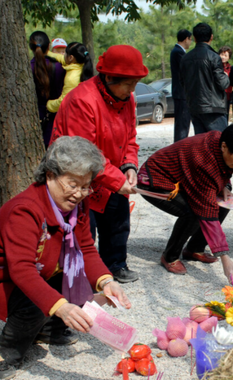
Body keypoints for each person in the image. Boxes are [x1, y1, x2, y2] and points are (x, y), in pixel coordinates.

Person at [0, 136, 132, 380]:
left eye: (85, 186)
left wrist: (106, 281)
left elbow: (86, 248)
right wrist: (60, 307)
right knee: (40, 301)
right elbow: (22, 270)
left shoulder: (75, 205)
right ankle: (5, 351)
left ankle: (47, 328)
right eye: (72, 184)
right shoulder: (26, 210)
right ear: (49, 175)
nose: (79, 193)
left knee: (69, 278)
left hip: (32, 271)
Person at [51, 44, 148, 284]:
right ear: (109, 78)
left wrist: (130, 166)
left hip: (109, 171)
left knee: (118, 221)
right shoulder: (82, 100)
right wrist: (116, 180)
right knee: (83, 228)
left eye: (135, 84)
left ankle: (115, 264)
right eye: (128, 84)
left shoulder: (128, 99)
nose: (132, 90)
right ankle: (83, 275)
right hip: (76, 172)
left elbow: (130, 137)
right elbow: (83, 153)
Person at [137, 123, 233, 281]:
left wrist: (225, 186)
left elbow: (222, 172)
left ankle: (194, 249)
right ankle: (170, 256)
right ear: (224, 146)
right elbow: (206, 211)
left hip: (183, 180)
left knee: (222, 203)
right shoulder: (203, 161)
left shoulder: (220, 142)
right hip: (155, 180)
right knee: (194, 212)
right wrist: (224, 258)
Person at [180, 23, 230, 135]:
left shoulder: (185, 58)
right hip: (214, 108)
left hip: (195, 107)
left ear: (194, 38)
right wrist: (226, 77)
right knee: (219, 144)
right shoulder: (214, 57)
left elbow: (183, 82)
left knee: (201, 146)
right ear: (211, 37)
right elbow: (222, 83)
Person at [29, 31, 65, 148]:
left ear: (31, 47)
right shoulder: (60, 68)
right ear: (49, 46)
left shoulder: (26, 69)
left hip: (34, 121)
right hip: (56, 121)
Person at [46, 42, 94, 114]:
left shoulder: (72, 78)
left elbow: (63, 102)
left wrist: (48, 105)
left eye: (65, 53)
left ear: (71, 57)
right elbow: (61, 58)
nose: (63, 55)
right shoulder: (81, 65)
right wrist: (46, 53)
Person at [171, 29, 192, 142]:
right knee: (182, 125)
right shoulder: (178, 52)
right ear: (186, 39)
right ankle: (180, 148)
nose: (190, 42)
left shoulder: (178, 51)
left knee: (183, 124)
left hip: (181, 93)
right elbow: (186, 71)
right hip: (181, 93)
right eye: (190, 39)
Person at [218, 45, 233, 117]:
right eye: (222, 55)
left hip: (227, 94)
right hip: (217, 95)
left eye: (225, 55)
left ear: (229, 57)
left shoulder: (230, 68)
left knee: (226, 115)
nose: (223, 57)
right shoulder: (216, 66)